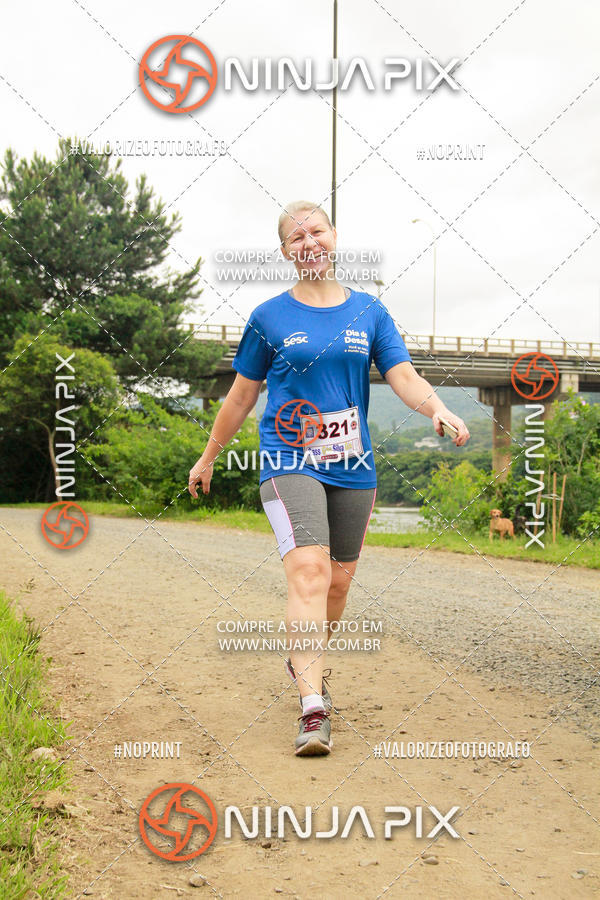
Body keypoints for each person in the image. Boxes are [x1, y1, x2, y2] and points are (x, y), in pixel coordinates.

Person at [188, 201, 470, 757]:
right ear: (285, 252)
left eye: (316, 230)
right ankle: (313, 708)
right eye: (297, 237)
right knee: (312, 572)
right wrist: (209, 455)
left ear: (334, 237)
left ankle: (303, 662)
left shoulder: (369, 313)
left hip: (353, 466)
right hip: (289, 459)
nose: (309, 242)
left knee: (338, 584)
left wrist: (437, 407)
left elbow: (403, 375)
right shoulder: (269, 317)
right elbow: (242, 395)